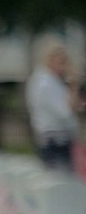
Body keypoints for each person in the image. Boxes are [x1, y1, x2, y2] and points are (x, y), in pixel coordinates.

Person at [24, 40, 83, 174]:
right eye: (62, 61)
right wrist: (74, 84)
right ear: (49, 59)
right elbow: (66, 112)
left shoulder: (53, 82)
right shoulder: (45, 84)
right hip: (55, 142)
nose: (65, 66)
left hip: (59, 141)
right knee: (60, 184)